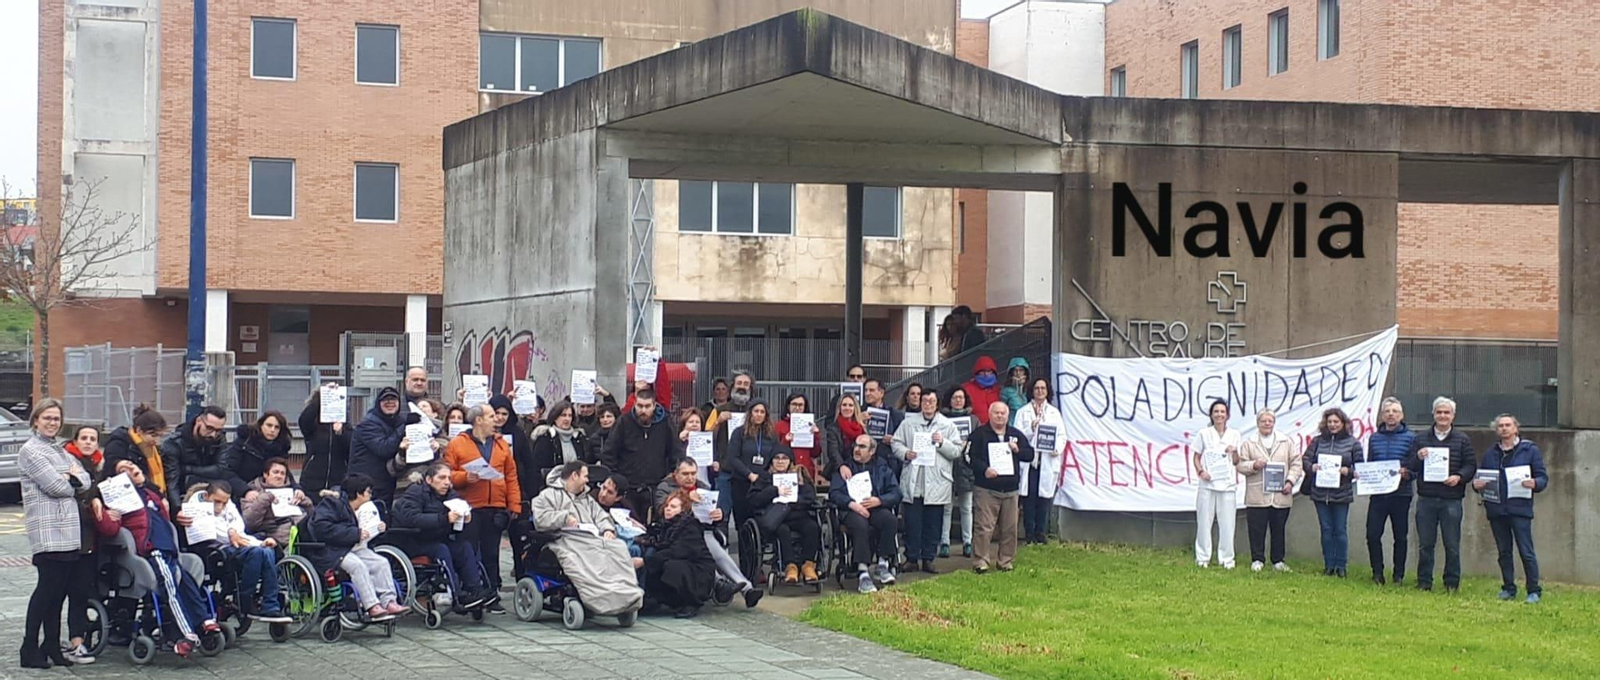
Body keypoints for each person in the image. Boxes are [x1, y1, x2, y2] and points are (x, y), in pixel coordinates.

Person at [93, 459, 221, 658]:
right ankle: (186, 633)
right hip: (152, 550)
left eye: (131, 464)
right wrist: (102, 511)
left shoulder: (151, 494)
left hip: (169, 548)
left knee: (186, 582)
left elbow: (166, 517)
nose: (131, 468)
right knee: (169, 586)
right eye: (123, 469)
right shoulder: (119, 500)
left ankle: (204, 620)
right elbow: (109, 529)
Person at [19, 399, 93, 668]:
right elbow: (55, 486)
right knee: (46, 592)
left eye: (56, 419)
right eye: (47, 418)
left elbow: (85, 480)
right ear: (36, 420)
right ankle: (29, 648)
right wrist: (70, 478)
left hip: (68, 533)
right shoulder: (31, 450)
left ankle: (51, 644)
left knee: (59, 593)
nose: (52, 423)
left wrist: (71, 478)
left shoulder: (60, 451)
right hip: (48, 532)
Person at [531, 462, 644, 618]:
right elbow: (540, 519)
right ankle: (599, 598)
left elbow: (601, 516)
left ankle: (626, 594)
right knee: (589, 558)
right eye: (585, 476)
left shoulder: (586, 499)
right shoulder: (548, 496)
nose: (587, 480)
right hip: (566, 539)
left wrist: (608, 530)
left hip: (593, 537)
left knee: (618, 547)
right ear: (574, 476)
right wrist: (563, 517)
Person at [652, 458, 762, 608]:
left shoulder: (703, 487)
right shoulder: (665, 488)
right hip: (677, 534)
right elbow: (662, 510)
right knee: (703, 549)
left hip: (703, 530)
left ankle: (747, 589)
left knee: (718, 554)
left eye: (693, 473)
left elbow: (711, 512)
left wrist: (718, 515)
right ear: (675, 474)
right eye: (685, 474)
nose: (690, 478)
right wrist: (685, 501)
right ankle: (723, 584)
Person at [443, 405, 520, 611]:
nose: (496, 420)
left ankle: (492, 595)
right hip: (469, 508)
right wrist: (464, 477)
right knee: (469, 551)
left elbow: (511, 476)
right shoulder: (457, 444)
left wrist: (513, 505)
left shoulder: (502, 444)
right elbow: (446, 474)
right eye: (491, 416)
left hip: (495, 506)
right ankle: (470, 592)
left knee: (491, 554)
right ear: (478, 420)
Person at [391, 462, 494, 611]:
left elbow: (458, 515)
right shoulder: (415, 492)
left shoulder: (451, 495)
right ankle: (456, 595)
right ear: (429, 480)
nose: (447, 482)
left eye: (449, 478)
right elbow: (411, 519)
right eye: (442, 478)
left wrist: (464, 517)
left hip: (436, 537)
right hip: (411, 539)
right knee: (441, 549)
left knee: (464, 547)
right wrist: (444, 519)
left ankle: (475, 590)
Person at [304, 473, 407, 620]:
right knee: (357, 565)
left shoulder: (359, 508)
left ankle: (389, 602)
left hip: (350, 547)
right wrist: (355, 533)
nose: (371, 495)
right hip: (328, 550)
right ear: (359, 493)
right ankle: (372, 606)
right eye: (368, 492)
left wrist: (377, 529)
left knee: (381, 562)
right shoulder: (332, 504)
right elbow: (322, 528)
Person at [185, 482, 290, 622]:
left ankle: (270, 606)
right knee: (257, 553)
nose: (220, 506)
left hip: (239, 544)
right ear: (206, 496)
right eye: (217, 501)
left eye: (224, 502)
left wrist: (259, 542)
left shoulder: (227, 504)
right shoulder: (195, 509)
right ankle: (245, 599)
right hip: (217, 549)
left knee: (267, 550)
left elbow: (239, 525)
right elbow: (215, 532)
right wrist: (230, 532)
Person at [1405, 396, 1476, 593]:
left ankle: (1451, 583)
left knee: (1452, 544)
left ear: (1453, 416)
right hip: (1426, 498)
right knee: (1425, 544)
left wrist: (1459, 477)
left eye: (1446, 412)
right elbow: (1410, 466)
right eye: (1439, 412)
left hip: (1451, 499)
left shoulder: (1463, 439)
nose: (1442, 416)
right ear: (1434, 414)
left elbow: (1471, 466)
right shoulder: (1420, 438)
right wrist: (1418, 457)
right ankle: (1424, 582)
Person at [1474, 414, 1547, 604]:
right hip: (1497, 510)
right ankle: (1508, 587)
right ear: (1496, 430)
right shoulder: (1491, 453)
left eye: (1508, 425)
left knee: (1526, 550)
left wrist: (1535, 483)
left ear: (1516, 428)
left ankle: (1534, 590)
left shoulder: (1529, 450)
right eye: (1500, 426)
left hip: (1520, 509)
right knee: (1503, 552)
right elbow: (1480, 478)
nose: (1504, 428)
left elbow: (1542, 478)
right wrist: (1477, 485)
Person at [891, 390, 961, 573]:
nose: (927, 404)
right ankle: (911, 558)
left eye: (931, 401)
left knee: (933, 523)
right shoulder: (908, 423)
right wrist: (905, 453)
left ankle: (929, 558)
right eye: (924, 401)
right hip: (914, 480)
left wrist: (942, 443)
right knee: (912, 523)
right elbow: (895, 443)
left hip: (937, 481)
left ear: (937, 404)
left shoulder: (947, 425)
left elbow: (956, 451)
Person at [967, 401, 1034, 573]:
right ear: (989, 415)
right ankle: (981, 561)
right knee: (983, 527)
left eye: (1003, 413)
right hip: (987, 488)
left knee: (1010, 528)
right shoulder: (979, 434)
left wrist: (1017, 450)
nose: (1000, 416)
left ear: (1007, 415)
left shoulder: (1015, 435)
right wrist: (984, 470)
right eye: (996, 413)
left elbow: (1030, 455)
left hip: (1011, 490)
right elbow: (969, 457)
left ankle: (1005, 561)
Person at [829, 435, 902, 593]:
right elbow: (834, 493)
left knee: (889, 520)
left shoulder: (882, 467)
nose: (856, 449)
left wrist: (880, 500)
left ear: (872, 451)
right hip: (851, 509)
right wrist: (851, 504)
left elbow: (896, 492)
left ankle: (883, 564)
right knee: (860, 525)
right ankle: (862, 572)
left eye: (862, 447)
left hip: (874, 506)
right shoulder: (845, 467)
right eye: (855, 445)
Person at [1237, 409, 1301, 573]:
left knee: (1278, 529)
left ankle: (1278, 561)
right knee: (1256, 529)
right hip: (1257, 495)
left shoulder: (1285, 442)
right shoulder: (1248, 443)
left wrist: (1290, 481)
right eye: (1263, 421)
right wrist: (1253, 465)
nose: (1266, 424)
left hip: (1280, 494)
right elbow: (1240, 465)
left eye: (1270, 421)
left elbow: (1296, 463)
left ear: (1274, 422)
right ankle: (1257, 559)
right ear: (1257, 423)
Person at [601, 389, 681, 516]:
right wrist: (617, 478)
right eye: (640, 406)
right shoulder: (623, 422)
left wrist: (670, 477)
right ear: (635, 404)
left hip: (656, 486)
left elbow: (675, 452)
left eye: (647, 406)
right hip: (628, 488)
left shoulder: (665, 423)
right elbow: (609, 452)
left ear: (654, 405)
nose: (643, 410)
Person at [748, 451, 822, 584]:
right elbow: (754, 500)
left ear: (790, 461)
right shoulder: (763, 479)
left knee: (812, 527)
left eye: (784, 458)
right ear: (771, 461)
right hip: (777, 519)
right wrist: (774, 491)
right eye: (776, 458)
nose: (780, 461)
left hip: (797, 514)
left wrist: (794, 501)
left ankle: (808, 565)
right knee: (783, 531)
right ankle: (790, 566)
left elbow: (810, 497)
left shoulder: (799, 475)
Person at [637, 491, 715, 618]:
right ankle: (658, 599)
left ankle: (690, 602)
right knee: (659, 561)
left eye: (673, 507)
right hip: (684, 564)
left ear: (682, 510)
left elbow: (677, 551)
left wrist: (645, 561)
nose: (668, 509)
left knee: (670, 566)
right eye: (667, 506)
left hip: (698, 570)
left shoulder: (690, 527)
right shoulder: (665, 526)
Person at [63, 424, 104, 663]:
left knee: (85, 591)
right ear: (75, 441)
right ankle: (74, 641)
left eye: (93, 439)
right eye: (84, 438)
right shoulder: (69, 464)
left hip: (92, 540)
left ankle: (81, 638)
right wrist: (91, 505)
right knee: (70, 592)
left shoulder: (100, 467)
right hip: (71, 537)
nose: (88, 442)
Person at [1364, 397, 1416, 585]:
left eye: (1395, 411)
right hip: (1378, 494)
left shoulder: (1411, 437)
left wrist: (1407, 473)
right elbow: (1370, 463)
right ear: (1382, 415)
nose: (1391, 414)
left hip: (1401, 494)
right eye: (1387, 411)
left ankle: (1398, 575)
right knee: (1372, 534)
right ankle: (1377, 572)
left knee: (1400, 536)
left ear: (1401, 415)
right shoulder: (1375, 438)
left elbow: (1416, 467)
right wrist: (1365, 476)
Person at [1304, 408, 1358, 577]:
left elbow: (1360, 467)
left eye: (1336, 422)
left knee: (1340, 530)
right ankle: (1329, 565)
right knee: (1326, 530)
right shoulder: (1317, 441)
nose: (1333, 425)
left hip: (1342, 493)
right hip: (1320, 493)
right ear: (1325, 424)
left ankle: (1341, 566)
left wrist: (1347, 471)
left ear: (1343, 423)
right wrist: (1311, 467)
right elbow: (1305, 460)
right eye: (1330, 422)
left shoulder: (1353, 443)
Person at [1012, 378, 1063, 545]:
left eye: (1043, 388)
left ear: (1048, 391)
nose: (1040, 391)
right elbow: (1017, 435)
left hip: (1047, 461)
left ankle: (1041, 533)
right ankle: (1029, 533)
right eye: (1037, 388)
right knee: (1029, 499)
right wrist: (1031, 429)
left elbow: (1062, 436)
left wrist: (1057, 448)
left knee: (1044, 499)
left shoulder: (1054, 413)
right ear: (1031, 391)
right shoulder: (1023, 412)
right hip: (1030, 463)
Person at [1191, 399, 1241, 570]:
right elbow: (1196, 457)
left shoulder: (1234, 434)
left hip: (1227, 485)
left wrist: (1233, 451)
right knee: (1204, 521)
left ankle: (1227, 558)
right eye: (1216, 412)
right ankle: (1203, 557)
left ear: (1227, 415)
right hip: (1207, 484)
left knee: (1228, 523)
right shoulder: (1204, 434)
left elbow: (1236, 461)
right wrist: (1201, 472)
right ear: (1211, 415)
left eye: (1222, 412)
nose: (1219, 414)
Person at [722, 400, 788, 526]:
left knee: (762, 519)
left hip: (763, 483)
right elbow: (733, 457)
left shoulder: (771, 434)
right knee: (742, 520)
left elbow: (775, 455)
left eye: (762, 412)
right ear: (750, 413)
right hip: (742, 481)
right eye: (756, 411)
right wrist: (749, 474)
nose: (759, 414)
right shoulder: (739, 432)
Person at [159, 405, 229, 506]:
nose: (213, 434)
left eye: (218, 430)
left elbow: (221, 469)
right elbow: (172, 481)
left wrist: (187, 469)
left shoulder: (219, 438)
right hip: (183, 492)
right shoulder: (175, 443)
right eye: (209, 428)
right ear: (198, 420)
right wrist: (178, 509)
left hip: (210, 490)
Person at [350, 386, 409, 506]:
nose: (390, 403)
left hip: (384, 483)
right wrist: (404, 428)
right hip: (366, 487)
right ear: (378, 403)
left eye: (393, 399)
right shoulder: (368, 424)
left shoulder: (397, 422)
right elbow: (384, 449)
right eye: (386, 400)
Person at [220, 411, 293, 504]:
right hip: (241, 494)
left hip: (271, 496)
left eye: (276, 427)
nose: (272, 430)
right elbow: (227, 471)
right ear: (261, 425)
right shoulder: (244, 442)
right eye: (269, 425)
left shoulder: (281, 448)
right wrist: (245, 491)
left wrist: (297, 489)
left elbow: (286, 474)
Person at [940, 386, 977, 558]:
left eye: (961, 398)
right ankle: (945, 542)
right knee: (946, 508)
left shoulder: (974, 420)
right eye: (955, 398)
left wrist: (967, 445)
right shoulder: (941, 419)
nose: (958, 401)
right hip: (946, 465)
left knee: (966, 507)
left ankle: (968, 542)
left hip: (966, 467)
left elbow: (977, 441)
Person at [102, 405, 171, 497]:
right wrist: (158, 494)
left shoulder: (153, 448)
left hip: (148, 495)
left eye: (160, 436)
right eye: (153, 435)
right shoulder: (119, 443)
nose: (157, 441)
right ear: (139, 430)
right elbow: (112, 469)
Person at [241, 457, 312, 546]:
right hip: (275, 537)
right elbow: (249, 523)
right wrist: (264, 499)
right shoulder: (253, 492)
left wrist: (306, 503)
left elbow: (312, 516)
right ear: (265, 474)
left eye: (282, 474)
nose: (279, 476)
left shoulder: (292, 490)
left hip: (303, 532)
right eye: (275, 472)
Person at [299, 383, 353, 498]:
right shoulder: (313, 427)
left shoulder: (346, 426)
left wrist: (341, 433)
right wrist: (324, 394)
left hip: (337, 483)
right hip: (312, 482)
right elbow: (304, 420)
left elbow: (351, 447)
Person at [528, 400, 588, 497]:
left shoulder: (579, 438)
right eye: (563, 415)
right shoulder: (545, 438)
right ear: (555, 417)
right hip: (552, 491)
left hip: (578, 491)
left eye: (570, 415)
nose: (567, 419)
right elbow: (537, 470)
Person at [391, 398, 448, 494]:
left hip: (435, 491)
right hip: (406, 488)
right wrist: (402, 453)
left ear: (435, 414)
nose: (421, 408)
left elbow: (448, 464)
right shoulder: (405, 433)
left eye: (425, 406)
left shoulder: (442, 436)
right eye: (418, 407)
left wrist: (438, 451)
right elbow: (393, 469)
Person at [777, 393, 825, 479]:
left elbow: (816, 453)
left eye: (800, 405)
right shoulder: (779, 426)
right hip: (786, 472)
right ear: (788, 406)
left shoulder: (811, 426)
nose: (797, 407)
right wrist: (785, 441)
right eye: (794, 404)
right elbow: (775, 452)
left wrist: (816, 435)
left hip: (806, 471)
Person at [822, 393, 867, 483]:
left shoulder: (863, 427)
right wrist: (841, 466)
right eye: (844, 405)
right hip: (839, 469)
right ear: (839, 407)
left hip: (859, 469)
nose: (847, 408)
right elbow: (833, 451)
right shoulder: (833, 428)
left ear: (855, 408)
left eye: (850, 405)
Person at [961, 356, 1002, 426]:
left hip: (996, 428)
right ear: (977, 373)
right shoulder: (966, 389)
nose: (986, 374)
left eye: (989, 371)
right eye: (982, 372)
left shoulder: (999, 390)